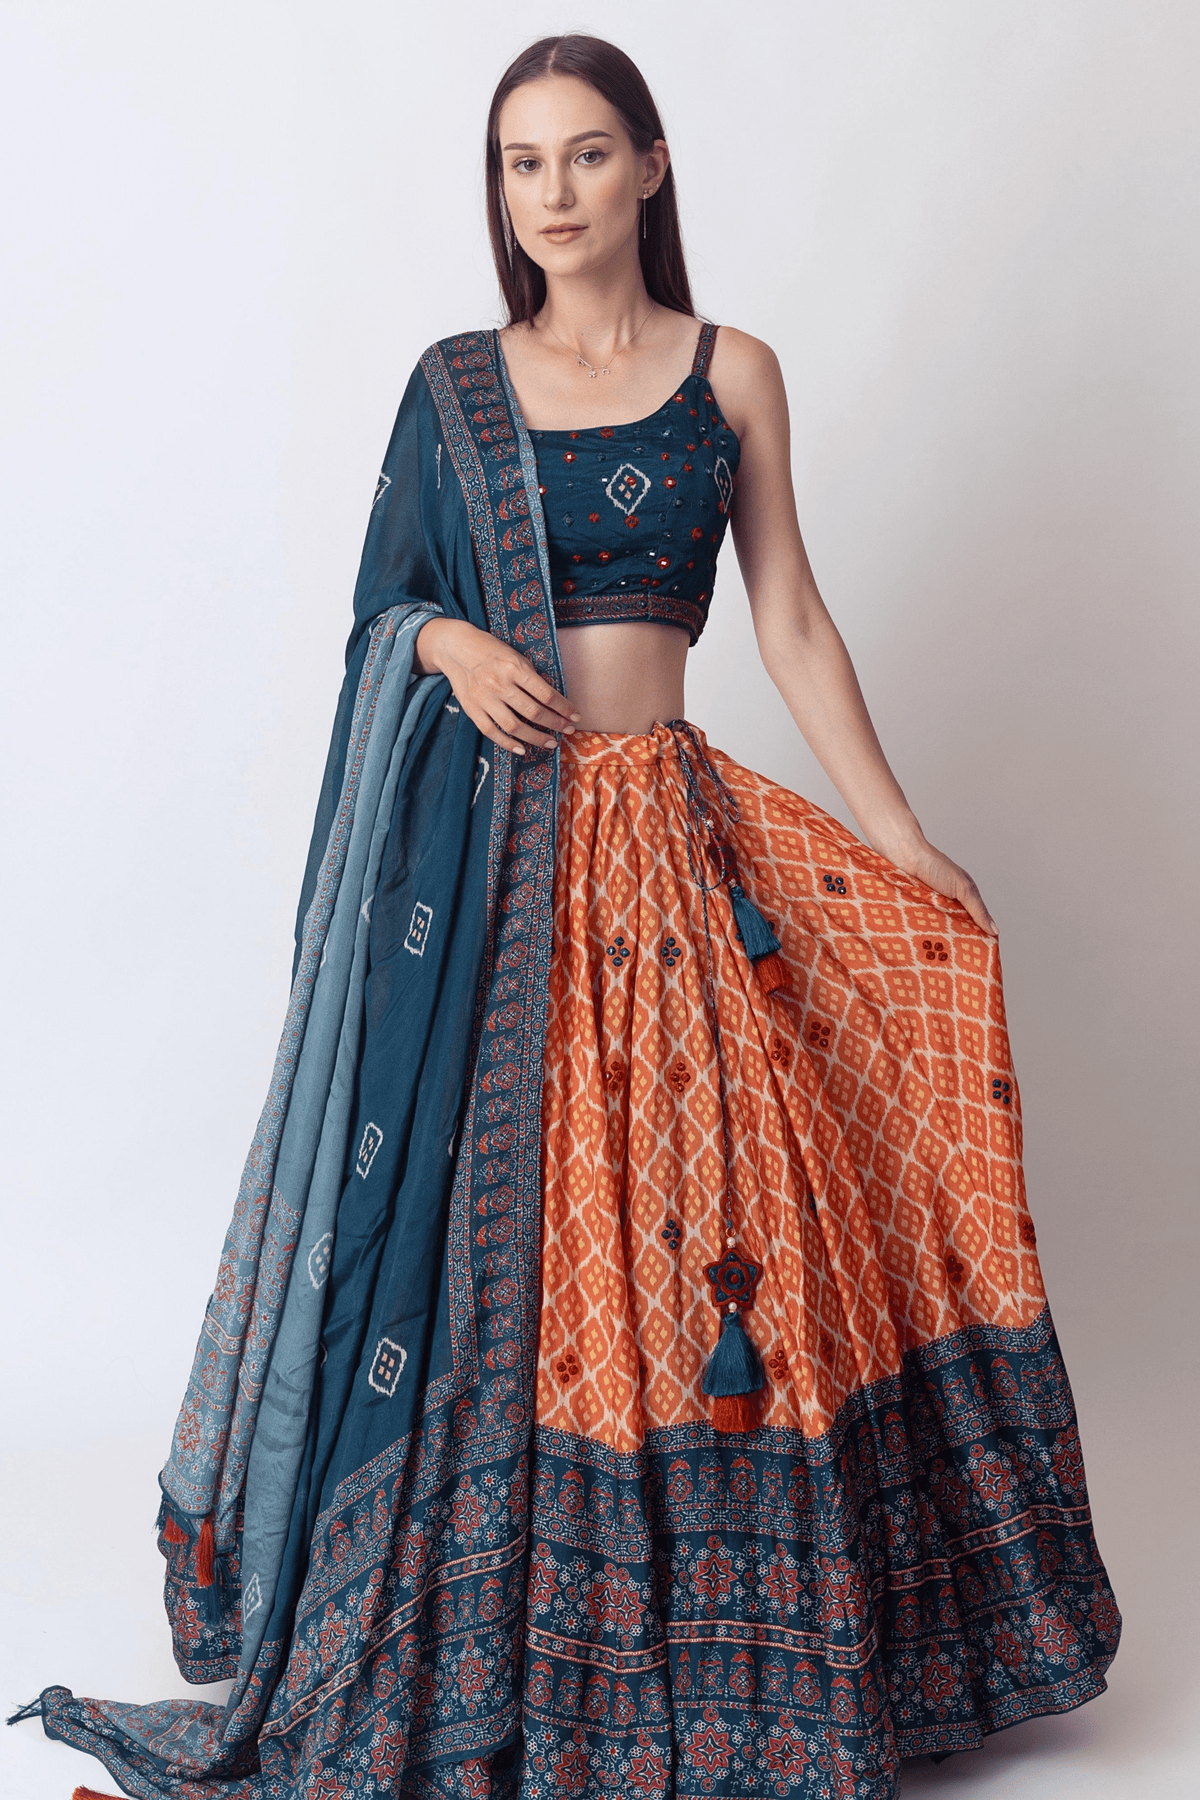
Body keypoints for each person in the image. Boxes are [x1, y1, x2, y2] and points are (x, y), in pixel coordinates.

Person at [13, 32, 1118, 1800]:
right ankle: (515, 1631)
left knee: (722, 1214)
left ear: (652, 167)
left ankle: (738, 1634)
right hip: (505, 873)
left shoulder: (732, 374)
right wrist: (445, 643)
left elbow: (791, 618)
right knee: (512, 1246)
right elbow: (382, 613)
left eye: (587, 155)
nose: (554, 193)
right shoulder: (457, 389)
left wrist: (900, 835)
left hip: (671, 843)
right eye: (522, 163)